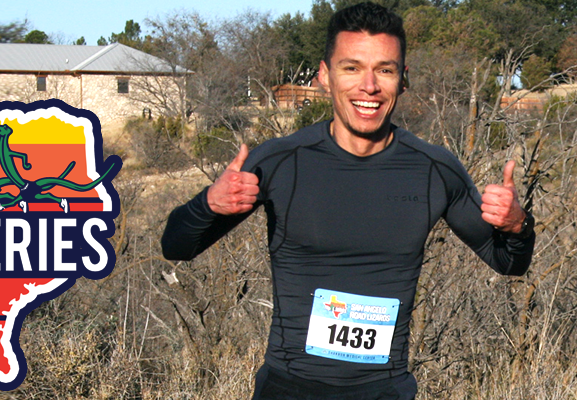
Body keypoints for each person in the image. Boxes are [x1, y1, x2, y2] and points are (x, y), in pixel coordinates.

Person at [160, 4, 536, 399]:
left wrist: (517, 224)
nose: (369, 86)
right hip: (288, 390)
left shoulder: (434, 169)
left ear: (403, 80)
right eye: (352, 67)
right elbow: (176, 246)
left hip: (384, 391)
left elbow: (509, 263)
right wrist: (208, 204)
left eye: (385, 70)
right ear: (325, 76)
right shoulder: (279, 161)